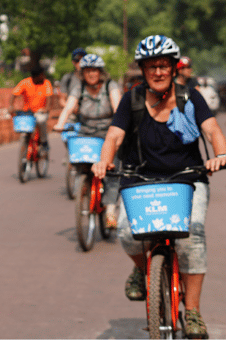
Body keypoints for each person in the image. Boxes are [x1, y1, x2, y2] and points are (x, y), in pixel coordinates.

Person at [91, 35, 226, 339]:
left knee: (192, 236)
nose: (158, 72)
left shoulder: (191, 98)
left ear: (174, 67)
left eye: (164, 65)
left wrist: (221, 155)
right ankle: (142, 270)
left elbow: (212, 129)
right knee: (127, 233)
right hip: (140, 180)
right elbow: (113, 136)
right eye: (151, 66)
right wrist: (103, 162)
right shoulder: (132, 99)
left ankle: (192, 312)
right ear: (143, 69)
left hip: (187, 179)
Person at [53, 53, 122, 225]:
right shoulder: (79, 88)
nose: (91, 74)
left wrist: (120, 126)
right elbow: (69, 106)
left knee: (113, 171)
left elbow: (118, 107)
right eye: (87, 71)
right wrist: (60, 124)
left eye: (95, 71)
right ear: (82, 73)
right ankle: (83, 186)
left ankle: (111, 211)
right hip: (85, 133)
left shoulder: (110, 86)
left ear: (101, 72)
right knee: (80, 162)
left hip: (108, 134)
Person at [10, 65, 54, 161]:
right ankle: (25, 146)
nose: (43, 77)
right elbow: (14, 94)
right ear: (37, 76)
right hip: (28, 112)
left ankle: (44, 142)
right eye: (41, 75)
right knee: (23, 125)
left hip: (40, 112)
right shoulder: (25, 82)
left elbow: (49, 97)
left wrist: (46, 109)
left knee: (41, 121)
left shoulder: (46, 83)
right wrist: (11, 106)